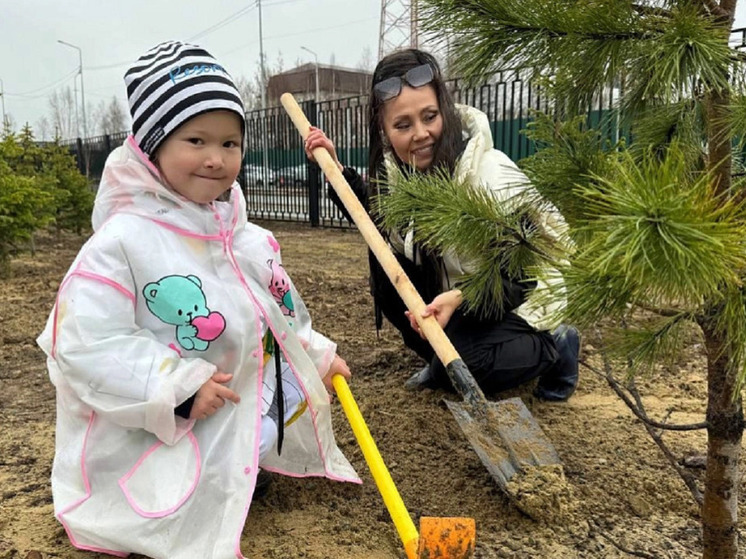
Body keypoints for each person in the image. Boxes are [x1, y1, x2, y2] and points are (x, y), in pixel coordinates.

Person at [36, 41, 360, 559]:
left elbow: (276, 312)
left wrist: (316, 353)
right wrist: (176, 388)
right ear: (152, 145)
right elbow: (84, 344)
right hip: (152, 421)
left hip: (223, 406)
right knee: (161, 497)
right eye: (196, 139)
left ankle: (235, 466)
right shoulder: (122, 243)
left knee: (295, 391)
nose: (216, 159)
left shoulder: (243, 236)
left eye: (230, 143)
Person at [304, 48, 579, 401]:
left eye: (429, 116)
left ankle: (555, 346)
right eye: (403, 125)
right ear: (385, 130)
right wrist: (334, 167)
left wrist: (461, 299)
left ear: (445, 112)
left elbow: (523, 277)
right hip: (463, 302)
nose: (420, 134)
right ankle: (441, 359)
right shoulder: (404, 178)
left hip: (523, 301)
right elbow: (372, 213)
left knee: (471, 364)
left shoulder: (490, 176)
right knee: (388, 266)